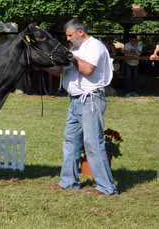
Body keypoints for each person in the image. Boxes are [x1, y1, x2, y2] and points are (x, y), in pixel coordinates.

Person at [47, 19, 118, 195]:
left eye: (70, 35)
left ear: (80, 32)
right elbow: (60, 71)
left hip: (91, 100)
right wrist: (43, 65)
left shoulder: (95, 46)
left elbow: (87, 70)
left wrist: (71, 57)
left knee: (93, 142)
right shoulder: (75, 49)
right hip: (75, 101)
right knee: (70, 140)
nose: (68, 39)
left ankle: (107, 187)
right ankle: (69, 182)